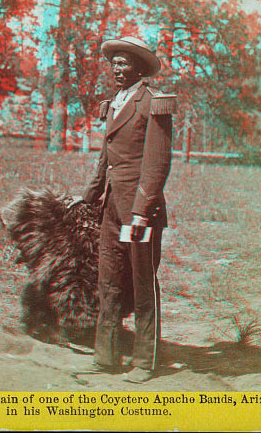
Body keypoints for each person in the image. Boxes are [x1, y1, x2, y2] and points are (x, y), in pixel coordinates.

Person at [71, 36, 175, 384]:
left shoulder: (154, 104)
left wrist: (143, 210)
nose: (117, 69)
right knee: (109, 280)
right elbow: (106, 156)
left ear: (140, 68)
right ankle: (105, 358)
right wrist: (90, 195)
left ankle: (145, 361)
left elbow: (158, 164)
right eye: (113, 62)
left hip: (139, 211)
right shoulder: (115, 103)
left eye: (124, 63)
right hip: (113, 208)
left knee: (142, 282)